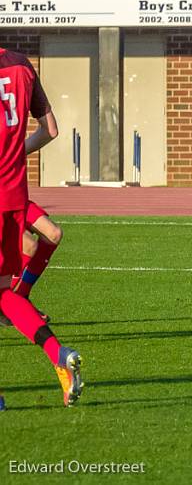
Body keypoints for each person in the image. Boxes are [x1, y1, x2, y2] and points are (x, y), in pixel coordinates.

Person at [0, 46, 83, 407]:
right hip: (13, 193)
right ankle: (59, 354)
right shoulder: (22, 65)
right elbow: (49, 129)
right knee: (4, 295)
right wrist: (15, 152)